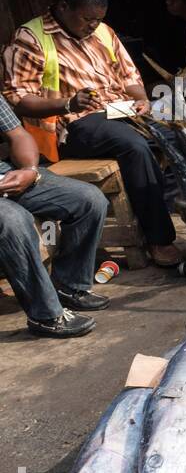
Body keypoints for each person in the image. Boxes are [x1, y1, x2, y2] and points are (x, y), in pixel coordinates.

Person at [1, 0, 182, 267]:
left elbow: (130, 78)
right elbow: (17, 98)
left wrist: (141, 100)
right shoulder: (31, 38)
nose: (93, 25)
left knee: (176, 134)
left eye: (98, 20)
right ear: (63, 7)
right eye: (87, 19)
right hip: (71, 124)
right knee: (133, 146)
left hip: (120, 110)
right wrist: (66, 102)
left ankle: (176, 211)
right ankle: (159, 238)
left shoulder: (104, 31)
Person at [0, 97, 108, 338]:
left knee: (89, 200)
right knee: (13, 220)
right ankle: (45, 316)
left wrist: (29, 170)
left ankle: (69, 287)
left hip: (3, 176)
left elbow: (18, 135)